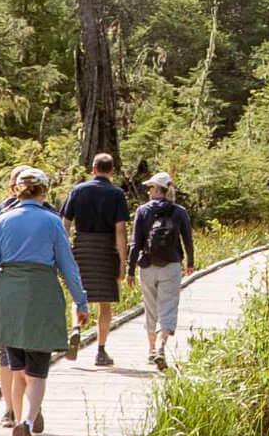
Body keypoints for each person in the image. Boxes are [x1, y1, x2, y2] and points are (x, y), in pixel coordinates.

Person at [0, 167, 89, 436]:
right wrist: (81, 301)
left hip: (8, 295)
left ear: (17, 191)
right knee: (38, 370)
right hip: (42, 295)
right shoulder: (52, 222)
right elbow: (68, 265)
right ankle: (26, 422)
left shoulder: (1, 220)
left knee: (16, 366)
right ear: (43, 192)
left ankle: (14, 417)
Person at [61, 152, 133, 366]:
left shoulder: (78, 190)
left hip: (82, 247)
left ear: (92, 170)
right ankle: (101, 351)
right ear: (112, 171)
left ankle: (75, 328)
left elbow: (64, 223)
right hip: (105, 250)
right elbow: (120, 230)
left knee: (78, 297)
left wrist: (66, 251)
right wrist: (123, 261)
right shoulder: (117, 194)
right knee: (105, 303)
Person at [127, 171, 198, 371]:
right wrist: (190, 262)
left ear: (158, 189)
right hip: (171, 265)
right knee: (167, 309)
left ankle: (151, 351)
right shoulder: (180, 211)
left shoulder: (143, 211)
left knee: (150, 309)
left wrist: (130, 270)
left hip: (147, 266)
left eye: (151, 187)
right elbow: (187, 239)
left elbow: (136, 243)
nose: (149, 191)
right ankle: (160, 346)